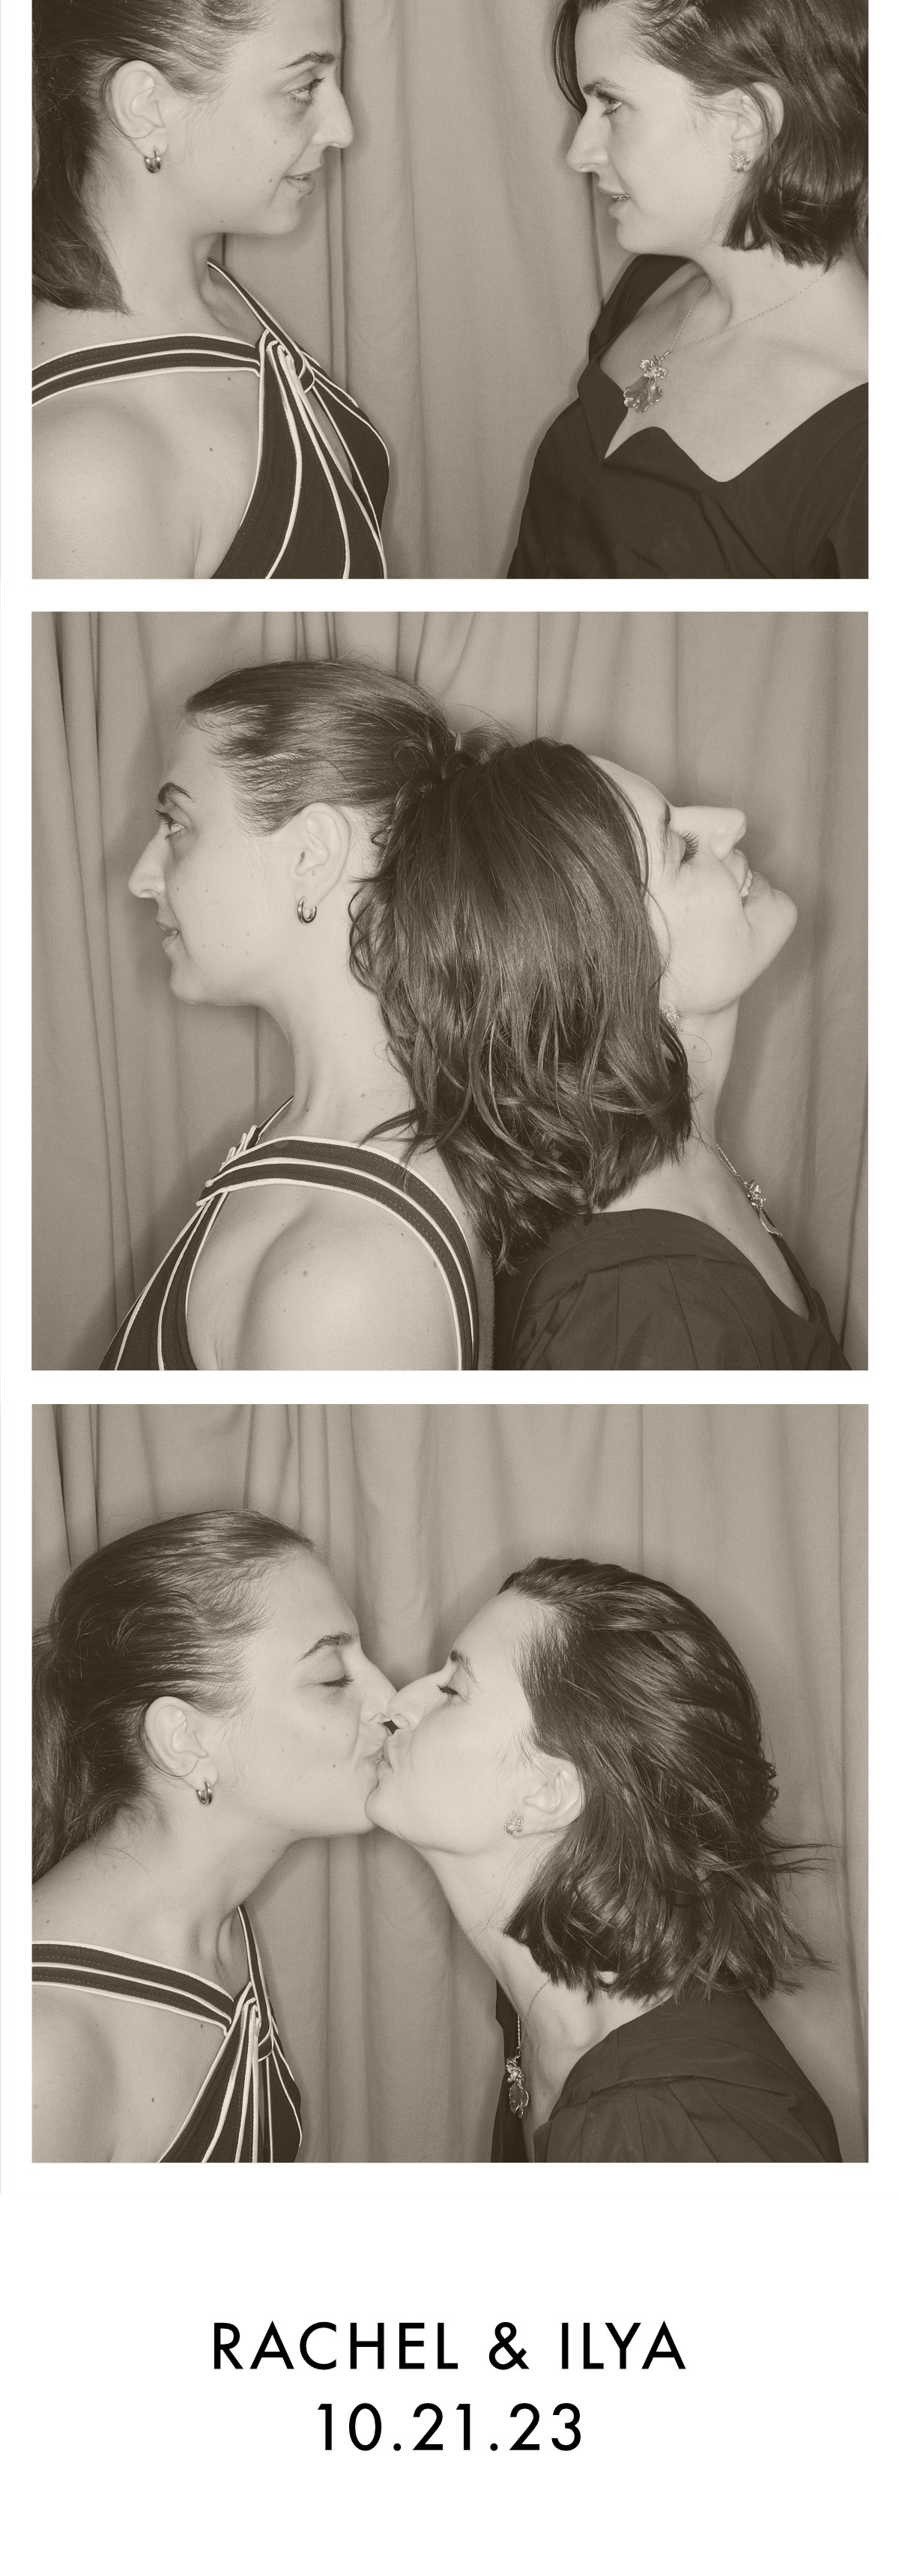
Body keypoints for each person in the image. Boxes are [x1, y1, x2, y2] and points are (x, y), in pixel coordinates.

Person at [354, 732, 849, 1368]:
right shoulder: (645, 1313)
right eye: (682, 850)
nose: (731, 823)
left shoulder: (670, 1173)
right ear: (616, 981)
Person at [371, 1556, 841, 2163]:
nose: (397, 1704)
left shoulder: (661, 2130)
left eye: (453, 1691)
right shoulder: (545, 2010)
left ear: (548, 1794)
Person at [99, 663, 491, 1375]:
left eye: (178, 825)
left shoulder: (345, 1280)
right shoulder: (323, 1141)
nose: (142, 877)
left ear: (313, 854)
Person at [33, 0, 390, 580]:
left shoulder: (209, 292)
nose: (342, 128)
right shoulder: (87, 472)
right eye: (303, 89)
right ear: (146, 106)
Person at [509, 0, 868, 580]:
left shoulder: (864, 449)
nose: (580, 152)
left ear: (747, 123)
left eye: (613, 105)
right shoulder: (651, 284)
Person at [33, 1508, 397, 2161]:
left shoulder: (216, 1922)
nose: (391, 1701)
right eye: (333, 1678)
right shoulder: (42, 2048)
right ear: (185, 1740)